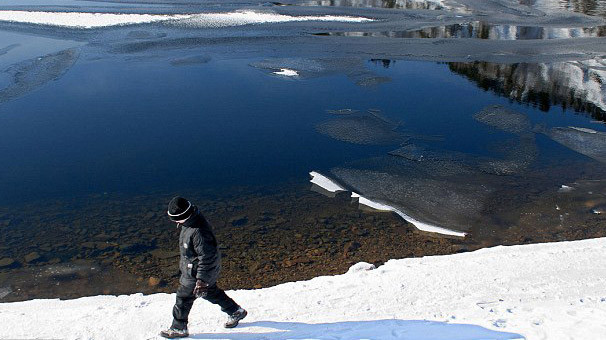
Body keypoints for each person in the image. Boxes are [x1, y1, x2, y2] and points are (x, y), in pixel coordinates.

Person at [160, 196, 247, 339]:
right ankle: (236, 311)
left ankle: (179, 328)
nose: (175, 222)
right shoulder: (191, 221)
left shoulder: (198, 231)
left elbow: (207, 257)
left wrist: (201, 281)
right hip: (198, 271)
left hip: (196, 274)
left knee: (183, 299)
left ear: (183, 216)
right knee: (211, 292)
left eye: (176, 219)